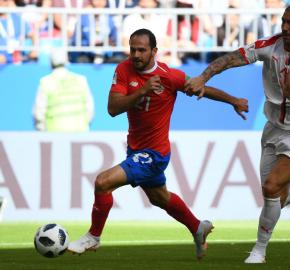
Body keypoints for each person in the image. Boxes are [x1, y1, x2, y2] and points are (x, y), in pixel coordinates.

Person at [185, 3, 290, 264]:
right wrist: (203, 77)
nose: (284, 27)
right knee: (277, 195)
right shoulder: (269, 46)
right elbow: (230, 58)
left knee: (272, 186)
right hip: (273, 127)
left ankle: (259, 250)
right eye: (283, 21)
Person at [67, 28, 249, 260]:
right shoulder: (123, 69)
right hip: (136, 148)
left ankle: (93, 236)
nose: (135, 54)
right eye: (132, 49)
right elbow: (113, 108)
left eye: (141, 50)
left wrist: (233, 100)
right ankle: (197, 227)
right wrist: (142, 91)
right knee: (159, 198)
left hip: (154, 153)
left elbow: (199, 87)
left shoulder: (169, 76)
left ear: (154, 51)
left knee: (103, 183)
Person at [32, 48, 94, 132]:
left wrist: (43, 133)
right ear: (66, 60)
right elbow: (90, 109)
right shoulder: (81, 80)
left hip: (54, 135)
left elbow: (38, 113)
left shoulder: (45, 82)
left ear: (50, 63)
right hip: (80, 134)